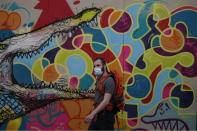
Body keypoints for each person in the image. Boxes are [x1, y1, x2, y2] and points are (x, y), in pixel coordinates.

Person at [81, 57, 116, 130]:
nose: (95, 68)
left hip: (106, 116)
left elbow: (106, 101)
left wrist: (92, 114)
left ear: (104, 66)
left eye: (98, 65)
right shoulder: (99, 79)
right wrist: (89, 95)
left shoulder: (109, 80)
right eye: (94, 66)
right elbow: (101, 96)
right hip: (98, 114)